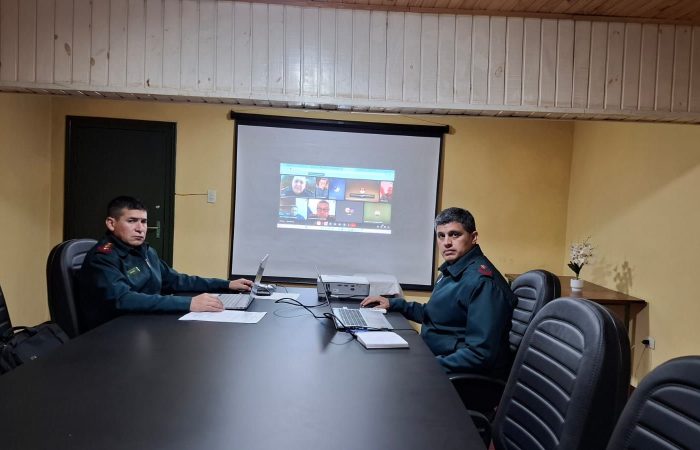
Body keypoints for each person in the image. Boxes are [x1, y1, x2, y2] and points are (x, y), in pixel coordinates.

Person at [360, 207, 516, 378]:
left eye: (455, 235)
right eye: (441, 236)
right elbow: (435, 315)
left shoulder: (483, 283)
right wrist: (392, 303)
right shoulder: (452, 270)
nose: (446, 242)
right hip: (433, 355)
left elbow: (480, 355)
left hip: (457, 376)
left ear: (473, 237)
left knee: (380, 375)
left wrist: (425, 366)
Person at [79, 196, 253, 328]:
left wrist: (226, 284)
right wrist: (189, 303)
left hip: (144, 320)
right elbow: (123, 299)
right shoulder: (103, 257)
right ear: (111, 223)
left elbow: (177, 280)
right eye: (131, 221)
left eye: (143, 222)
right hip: (115, 330)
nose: (140, 228)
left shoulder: (145, 251)